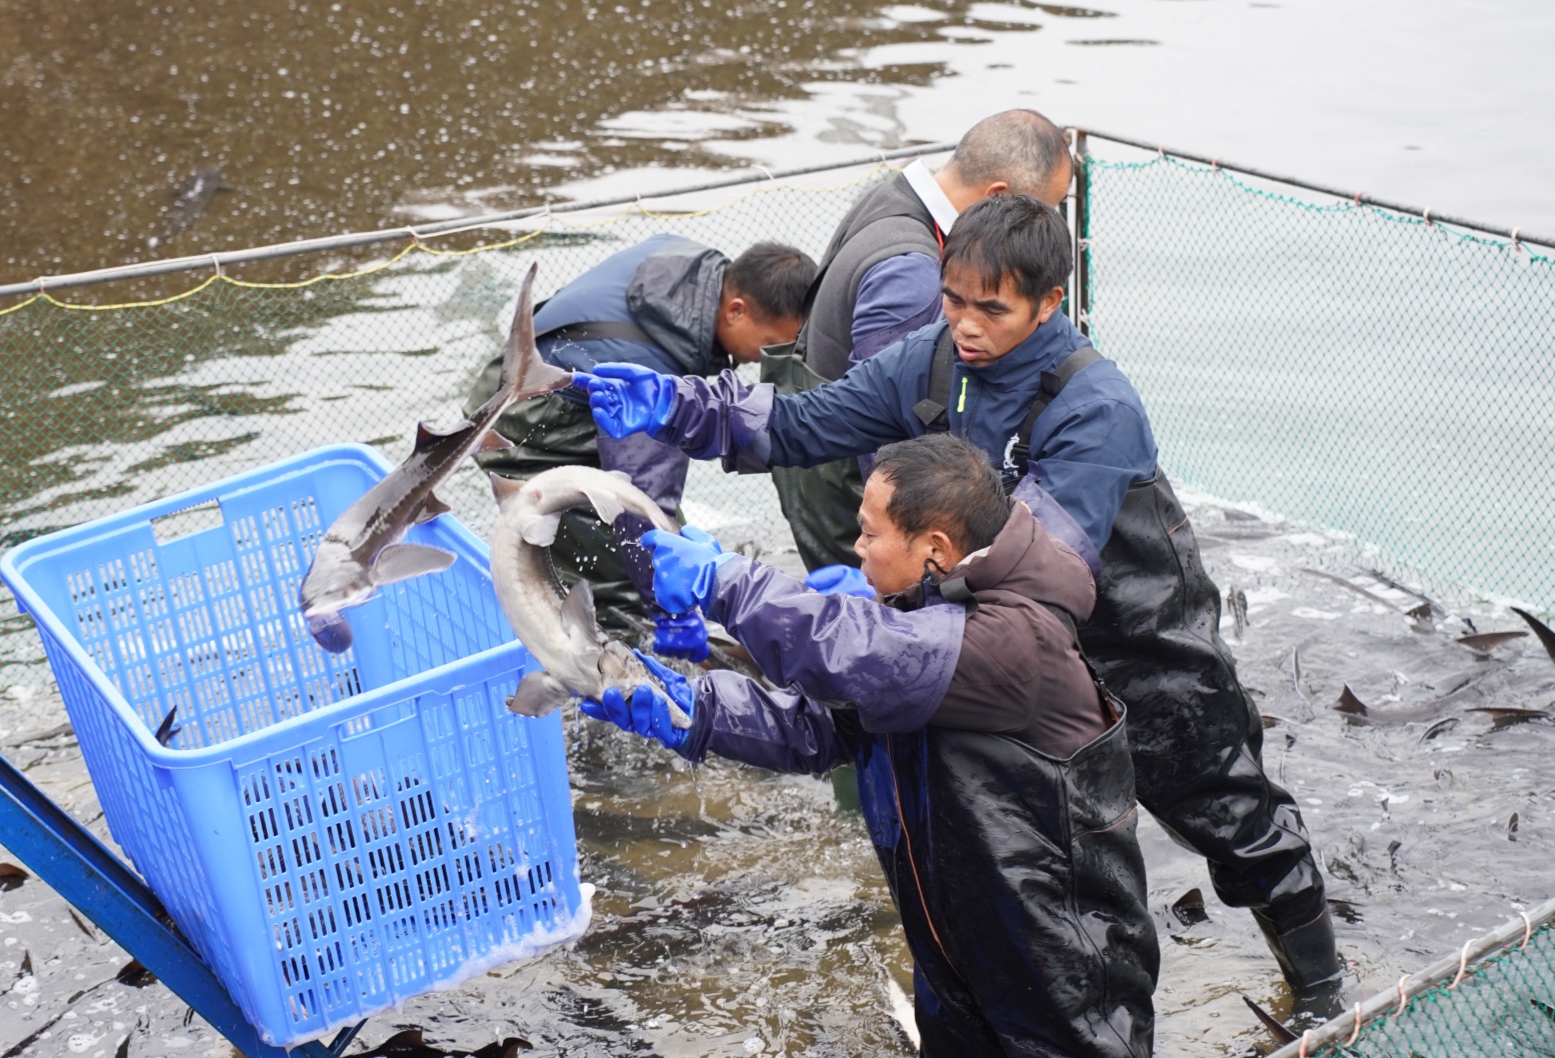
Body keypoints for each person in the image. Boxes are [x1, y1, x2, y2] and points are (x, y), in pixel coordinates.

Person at [577, 194, 1341, 992]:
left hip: (1139, 645)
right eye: (953, 300)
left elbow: (1042, 564)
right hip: (1007, 661)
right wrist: (684, 407)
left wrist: (865, 603)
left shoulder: (1095, 405)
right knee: (1050, 857)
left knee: (1234, 816)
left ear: (1050, 303)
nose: (967, 325)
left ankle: (1322, 988)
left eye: (992, 308)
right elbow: (807, 422)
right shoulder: (935, 358)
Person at [585, 433, 1168, 1058]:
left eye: (869, 534)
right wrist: (694, 711)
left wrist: (727, 582)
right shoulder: (926, 613)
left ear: (936, 552)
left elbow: (861, 651)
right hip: (953, 952)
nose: (855, 549)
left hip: (1063, 961)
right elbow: (818, 726)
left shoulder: (1012, 640)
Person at [768, 108, 1073, 580]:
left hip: (818, 460)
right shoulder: (912, 270)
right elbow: (888, 430)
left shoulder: (891, 195)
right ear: (999, 200)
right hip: (858, 496)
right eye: (1043, 209)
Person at [469, 234, 814, 640]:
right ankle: (608, 666)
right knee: (621, 581)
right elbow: (639, 497)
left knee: (668, 539)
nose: (765, 357)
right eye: (772, 343)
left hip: (528, 379)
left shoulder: (694, 271)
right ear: (736, 310)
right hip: (524, 420)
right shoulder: (654, 361)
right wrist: (668, 612)